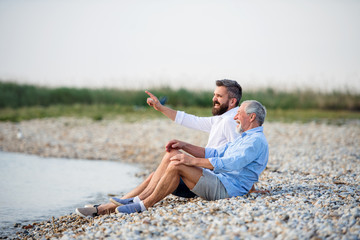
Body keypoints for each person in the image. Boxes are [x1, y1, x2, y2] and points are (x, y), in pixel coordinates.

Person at [76, 100, 269, 217]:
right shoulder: (245, 138)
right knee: (173, 155)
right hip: (221, 181)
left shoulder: (255, 142)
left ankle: (142, 205)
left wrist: (190, 161)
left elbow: (230, 163)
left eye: (240, 114)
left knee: (178, 165)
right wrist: (184, 146)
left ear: (251, 118)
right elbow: (215, 153)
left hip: (228, 189)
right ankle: (136, 199)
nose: (236, 116)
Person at [146, 79, 242, 148]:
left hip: (216, 173)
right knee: (156, 173)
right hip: (209, 167)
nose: (214, 99)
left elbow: (237, 156)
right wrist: (161, 108)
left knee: (173, 159)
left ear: (232, 102)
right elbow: (191, 120)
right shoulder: (221, 119)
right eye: (214, 95)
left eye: (219, 96)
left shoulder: (231, 121)